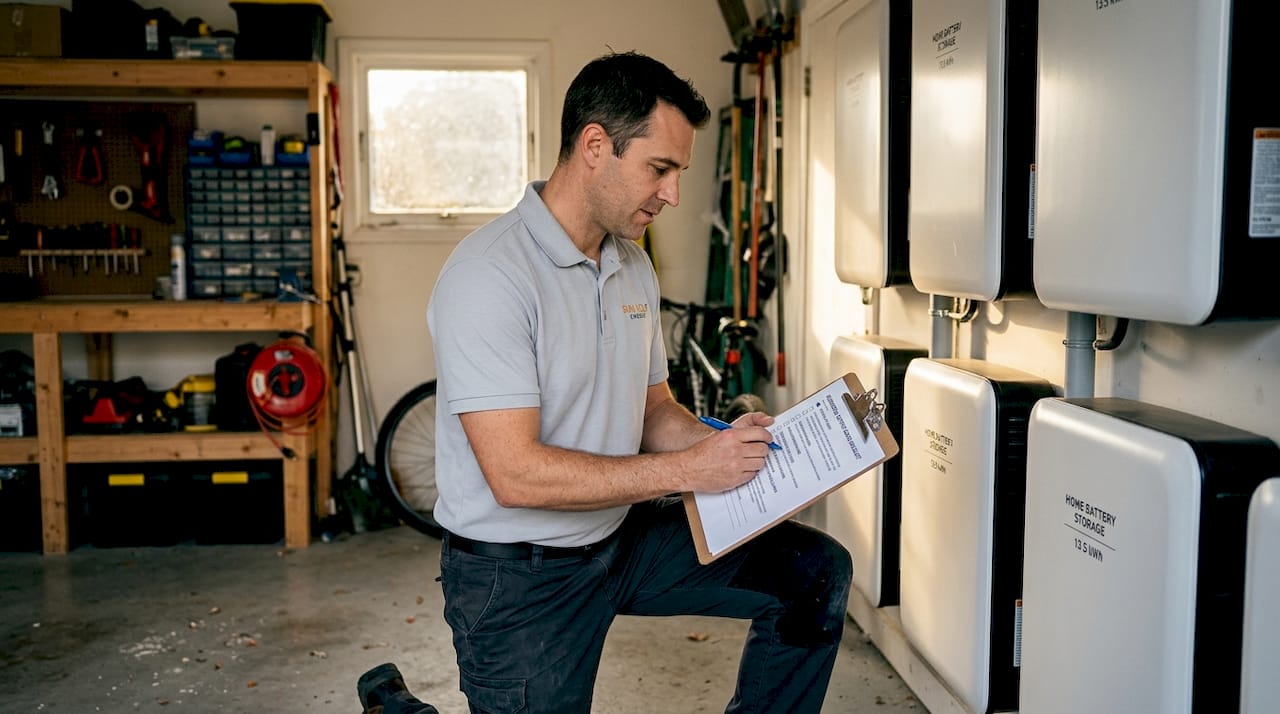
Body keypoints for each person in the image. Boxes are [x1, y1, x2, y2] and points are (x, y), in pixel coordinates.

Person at [360, 50, 852, 714]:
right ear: (596, 146)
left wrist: (734, 454)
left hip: (619, 541)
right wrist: (688, 471)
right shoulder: (489, 276)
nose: (673, 194)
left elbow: (653, 410)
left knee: (814, 575)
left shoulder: (631, 266)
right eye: (660, 169)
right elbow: (516, 475)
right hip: (518, 573)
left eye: (678, 173)